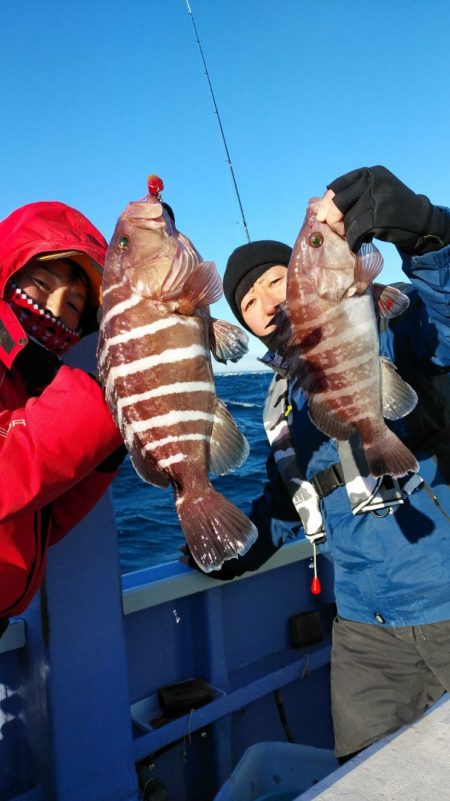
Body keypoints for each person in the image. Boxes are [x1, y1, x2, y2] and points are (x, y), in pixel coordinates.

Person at [197, 166, 450, 762]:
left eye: (275, 280)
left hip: (444, 596)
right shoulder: (279, 403)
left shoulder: (384, 323)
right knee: (360, 774)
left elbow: (445, 316)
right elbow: (291, 501)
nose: (264, 301)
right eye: (248, 300)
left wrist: (424, 234)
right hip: (363, 627)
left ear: (308, 279)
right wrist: (238, 549)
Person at [0, 200, 125, 634]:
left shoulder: (29, 386)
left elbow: (39, 523)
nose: (54, 309)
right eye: (39, 284)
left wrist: (102, 461)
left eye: (73, 304)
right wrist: (95, 407)